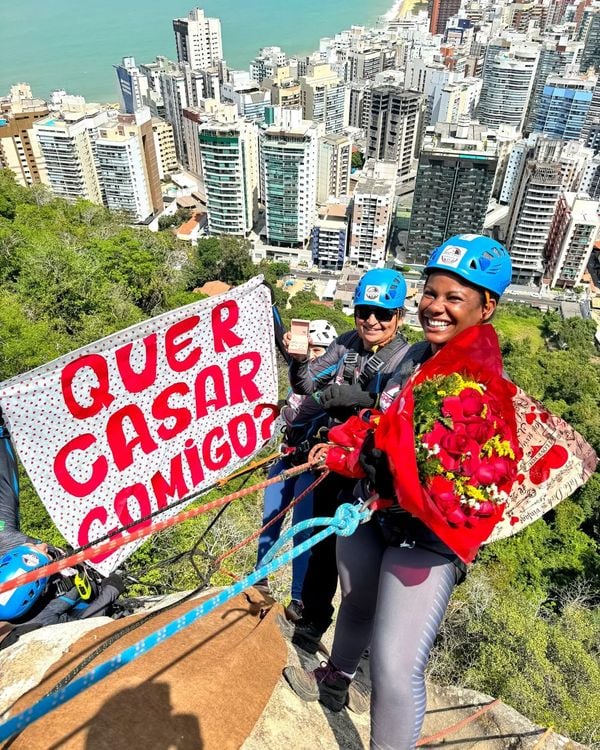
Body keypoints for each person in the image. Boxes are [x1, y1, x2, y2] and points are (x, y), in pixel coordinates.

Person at [283, 234, 513, 748]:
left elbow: (421, 465)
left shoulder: (475, 379)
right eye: (432, 293)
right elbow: (380, 421)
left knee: (394, 663)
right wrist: (341, 439)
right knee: (357, 600)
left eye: (455, 298)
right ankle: (338, 677)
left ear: (486, 306)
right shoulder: (421, 361)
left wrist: (348, 455)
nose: (437, 307)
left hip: (428, 533)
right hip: (378, 510)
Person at [281, 268, 410, 653]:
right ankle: (313, 624)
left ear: (398, 317)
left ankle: (360, 648)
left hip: (371, 468)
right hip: (336, 459)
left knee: (360, 562)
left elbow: (394, 406)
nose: (371, 320)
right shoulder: (345, 344)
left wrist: (356, 397)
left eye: (382, 313)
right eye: (364, 310)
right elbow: (305, 386)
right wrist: (298, 360)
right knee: (323, 549)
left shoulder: (404, 358)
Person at [0, 420, 124, 648]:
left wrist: (1, 434)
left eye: (32, 546)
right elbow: (87, 620)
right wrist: (112, 588)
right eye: (43, 555)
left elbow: (5, 486)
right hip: (94, 587)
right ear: (42, 588)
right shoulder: (41, 623)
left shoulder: (4, 538)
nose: (43, 545)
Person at [255, 320, 337, 621]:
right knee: (270, 522)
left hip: (308, 468)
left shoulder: (330, 390)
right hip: (285, 458)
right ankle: (259, 578)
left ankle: (299, 597)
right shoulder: (299, 379)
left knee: (302, 533)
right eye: (311, 349)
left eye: (319, 351)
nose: (314, 356)